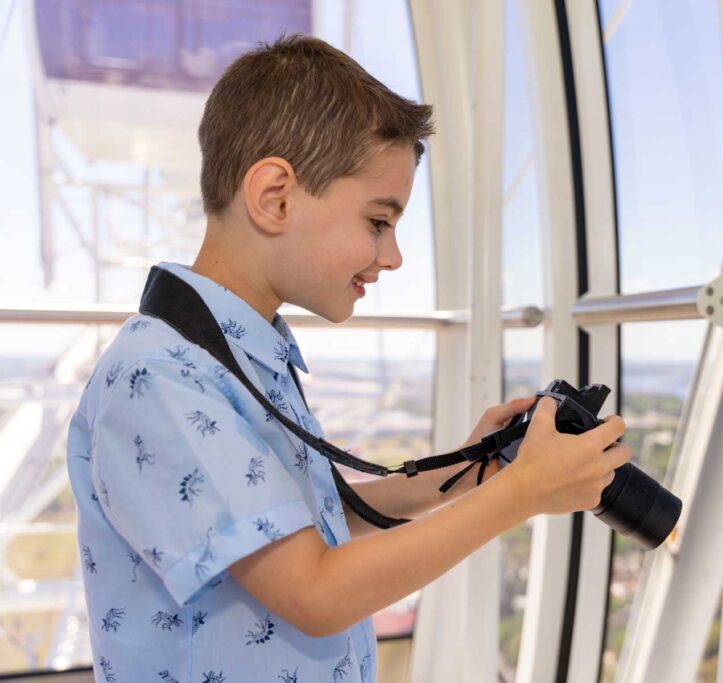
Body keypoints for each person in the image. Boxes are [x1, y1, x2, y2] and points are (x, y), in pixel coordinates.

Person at [66, 34, 632, 682]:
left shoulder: (238, 353)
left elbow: (313, 525)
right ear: (274, 197)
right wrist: (524, 494)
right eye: (378, 221)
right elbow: (316, 591)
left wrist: (472, 469)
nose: (392, 257)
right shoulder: (159, 378)